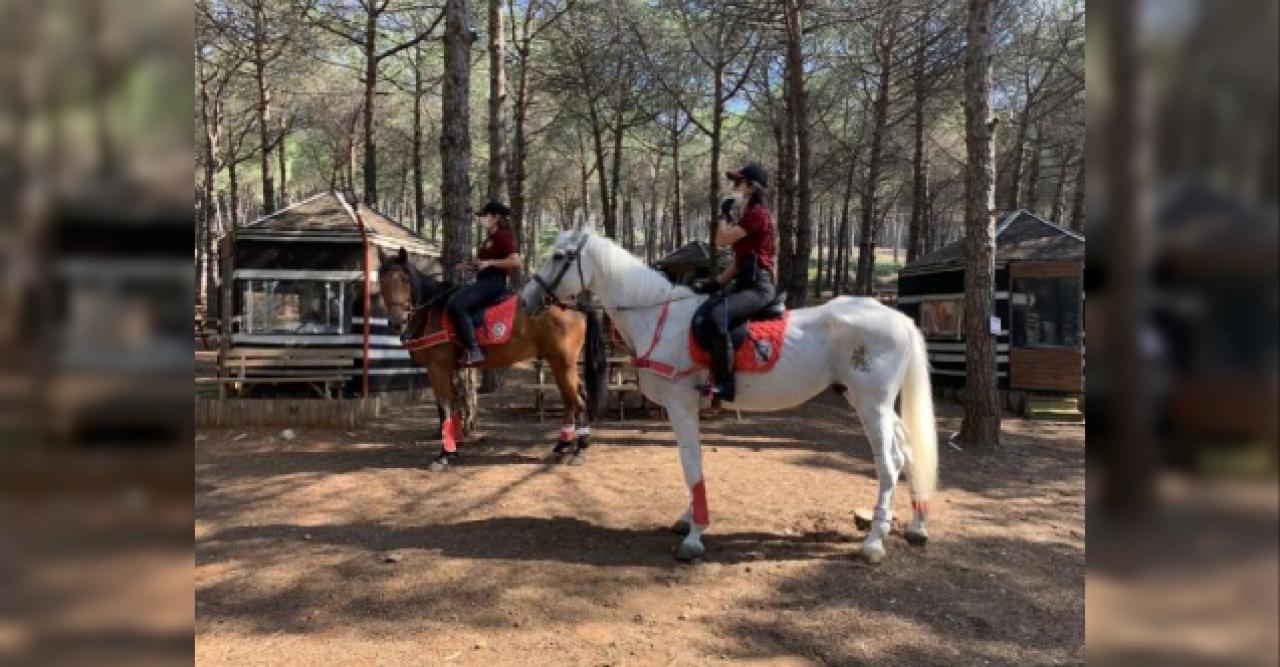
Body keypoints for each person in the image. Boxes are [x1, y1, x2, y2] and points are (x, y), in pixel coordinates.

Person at [690, 163, 778, 402]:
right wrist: (716, 283)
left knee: (718, 317)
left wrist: (723, 216)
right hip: (745, 282)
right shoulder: (749, 214)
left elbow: (721, 239)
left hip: (758, 287)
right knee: (708, 310)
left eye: (738, 183)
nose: (734, 187)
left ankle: (725, 383)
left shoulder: (757, 215)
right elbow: (740, 262)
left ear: (751, 187)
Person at [447, 202, 520, 365]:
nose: (480, 219)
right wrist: (469, 266)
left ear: (496, 218)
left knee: (457, 304)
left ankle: (474, 350)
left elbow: (515, 261)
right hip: (484, 280)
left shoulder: (502, 236)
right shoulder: (490, 238)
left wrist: (490, 263)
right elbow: (485, 263)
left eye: (484, 215)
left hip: (494, 283)